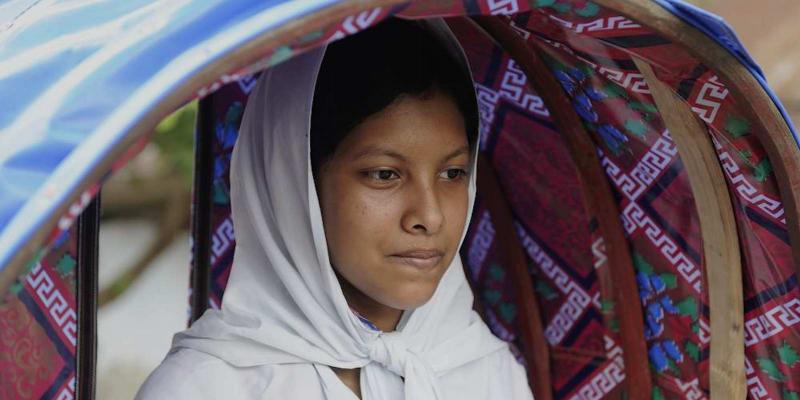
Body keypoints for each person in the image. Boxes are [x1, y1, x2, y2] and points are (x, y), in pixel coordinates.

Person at [136, 17, 533, 400]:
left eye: (452, 173)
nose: (430, 217)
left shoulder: (486, 373)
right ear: (293, 181)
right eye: (383, 174)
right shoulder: (208, 388)